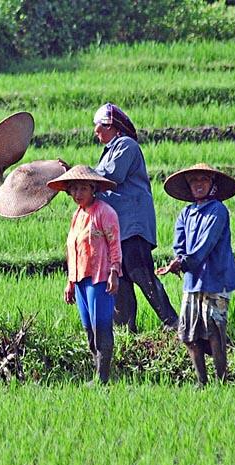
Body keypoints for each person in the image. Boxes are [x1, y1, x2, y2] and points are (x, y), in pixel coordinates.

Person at [92, 103, 177, 332]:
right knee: (121, 281)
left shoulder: (126, 146)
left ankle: (171, 321)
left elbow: (113, 175)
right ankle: (126, 330)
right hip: (117, 228)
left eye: (98, 125)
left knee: (140, 272)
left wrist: (81, 174)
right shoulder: (109, 151)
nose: (95, 131)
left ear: (110, 125)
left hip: (132, 224)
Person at [157, 164, 235, 387]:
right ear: (189, 186)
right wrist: (178, 258)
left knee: (214, 333)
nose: (198, 184)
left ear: (212, 184)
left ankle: (222, 381)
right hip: (193, 282)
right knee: (188, 335)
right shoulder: (186, 213)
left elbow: (206, 244)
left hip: (216, 280)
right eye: (194, 181)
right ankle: (202, 382)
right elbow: (179, 244)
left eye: (203, 179)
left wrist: (182, 262)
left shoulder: (218, 210)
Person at [47, 166, 122, 384]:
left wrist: (114, 271)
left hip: (100, 278)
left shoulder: (104, 212)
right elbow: (72, 249)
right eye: (74, 189)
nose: (78, 194)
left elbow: (114, 244)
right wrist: (70, 282)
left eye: (83, 188)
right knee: (89, 328)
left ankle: (103, 378)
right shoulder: (77, 215)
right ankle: (98, 373)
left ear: (93, 189)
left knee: (101, 327)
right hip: (80, 279)